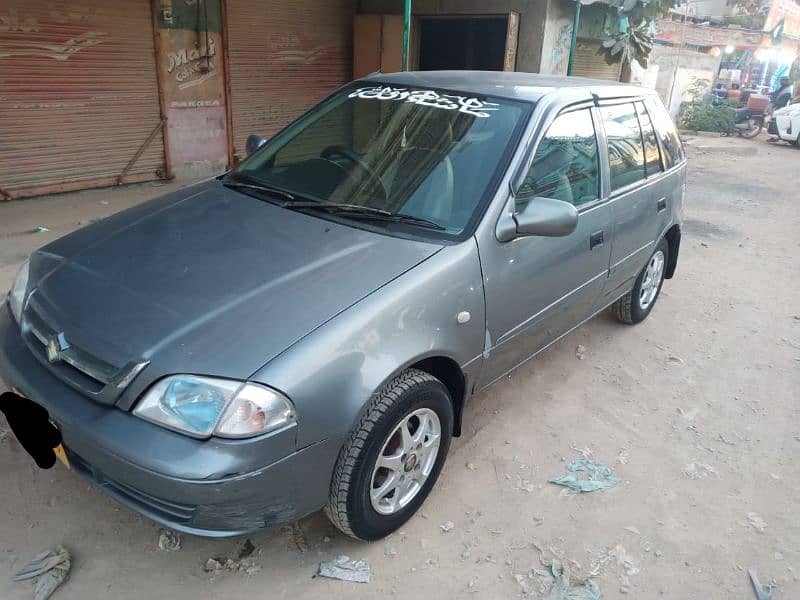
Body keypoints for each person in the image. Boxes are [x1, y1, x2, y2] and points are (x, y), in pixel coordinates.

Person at [767, 77, 794, 141]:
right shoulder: (783, 87)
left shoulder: (788, 91)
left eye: (782, 81)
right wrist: (769, 93)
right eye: (780, 81)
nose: (780, 82)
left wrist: (773, 100)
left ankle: (776, 137)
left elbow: (782, 103)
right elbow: (776, 92)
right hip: (777, 108)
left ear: (786, 81)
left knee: (776, 123)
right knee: (772, 122)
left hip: (781, 109)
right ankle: (773, 136)